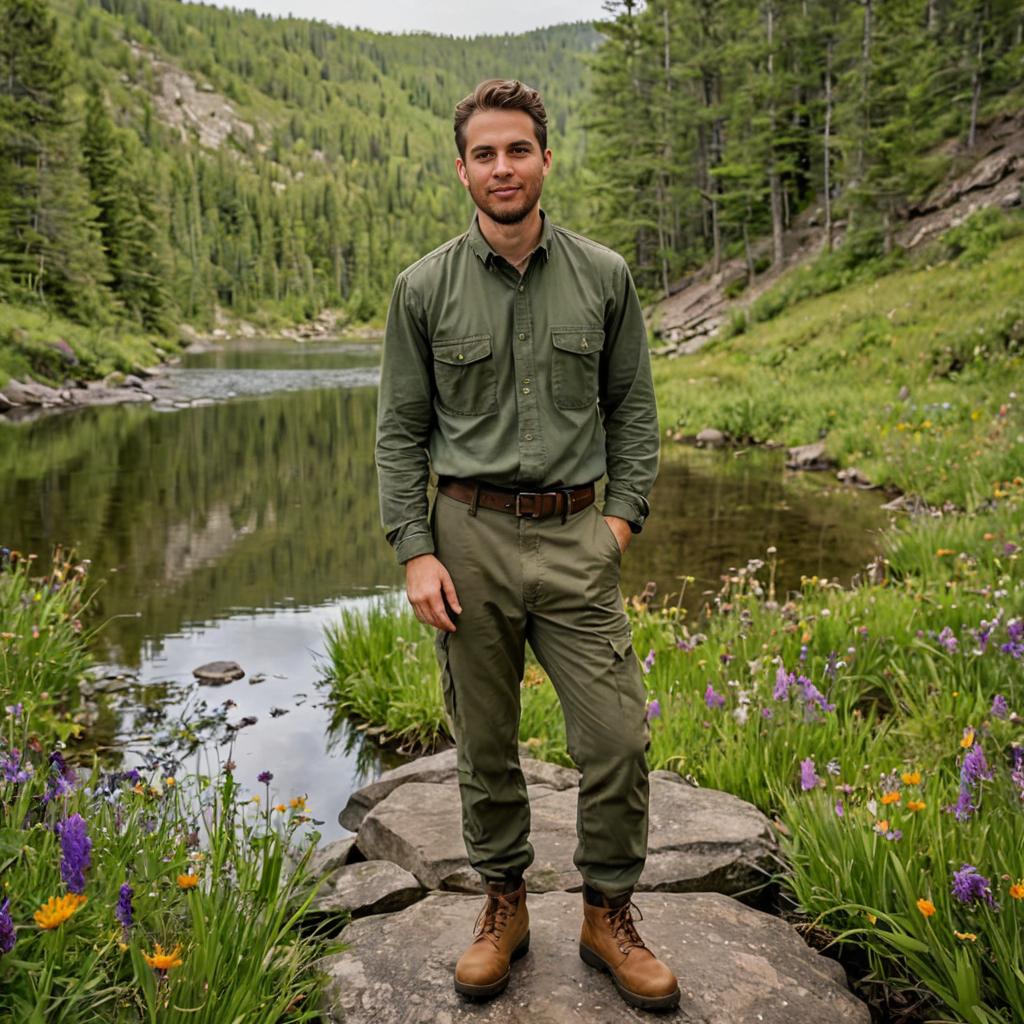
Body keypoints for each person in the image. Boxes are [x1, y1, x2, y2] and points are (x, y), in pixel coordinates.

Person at [375, 78, 678, 1012]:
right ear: (462, 167)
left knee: (617, 738)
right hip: (465, 538)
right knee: (485, 742)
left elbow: (633, 409)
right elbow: (399, 432)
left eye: (517, 150)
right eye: (483, 153)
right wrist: (415, 549)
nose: (501, 168)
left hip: (578, 534)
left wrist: (619, 520)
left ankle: (607, 915)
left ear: (546, 157)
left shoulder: (604, 275)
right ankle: (503, 906)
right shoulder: (423, 287)